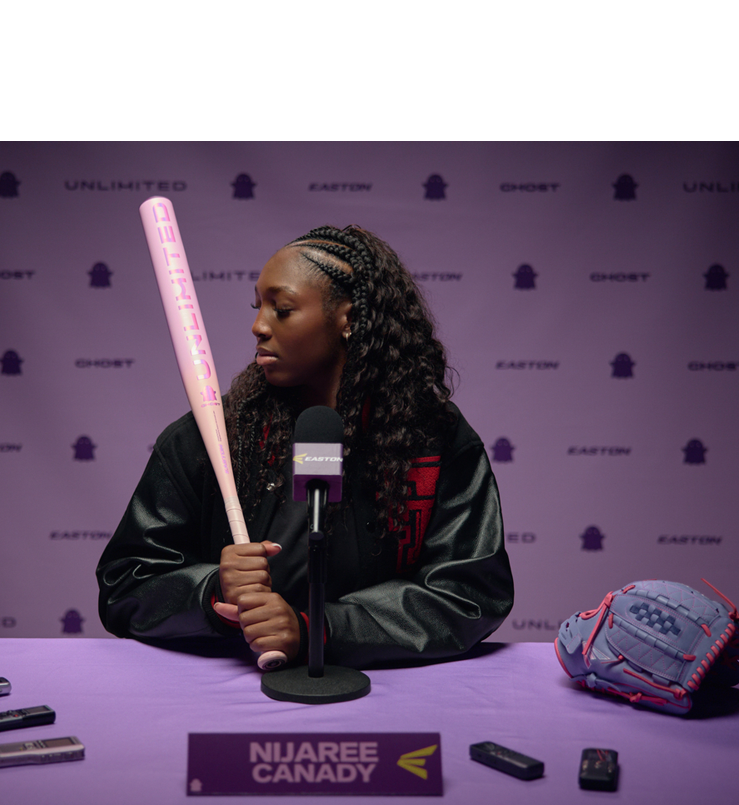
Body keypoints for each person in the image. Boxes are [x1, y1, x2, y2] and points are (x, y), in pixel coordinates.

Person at [96, 224, 514, 666]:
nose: (258, 326)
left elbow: (469, 595)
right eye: (258, 307)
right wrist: (211, 591)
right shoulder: (211, 437)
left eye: (282, 309)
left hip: (391, 691)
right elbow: (125, 586)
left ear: (348, 319)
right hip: (229, 690)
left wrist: (320, 629)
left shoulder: (432, 440)